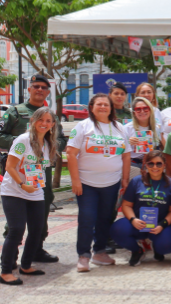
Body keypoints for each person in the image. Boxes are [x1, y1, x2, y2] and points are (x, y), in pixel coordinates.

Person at [0, 75, 66, 264]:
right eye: (35, 86)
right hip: (18, 168)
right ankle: (10, 255)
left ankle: (36, 249)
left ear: (47, 91)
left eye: (44, 87)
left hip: (40, 170)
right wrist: (25, 143)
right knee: (16, 216)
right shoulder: (15, 111)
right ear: (28, 89)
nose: (39, 89)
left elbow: (61, 140)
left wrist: (49, 145)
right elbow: (0, 135)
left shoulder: (51, 115)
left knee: (41, 210)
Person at [66, 93, 130, 272]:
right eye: (99, 104)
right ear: (92, 107)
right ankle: (83, 255)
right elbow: (71, 153)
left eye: (106, 105)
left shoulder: (119, 128)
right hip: (86, 183)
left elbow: (126, 155)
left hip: (111, 183)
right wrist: (75, 180)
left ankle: (100, 252)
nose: (103, 107)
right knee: (87, 218)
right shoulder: (82, 126)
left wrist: (124, 179)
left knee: (105, 218)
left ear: (111, 108)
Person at [0, 108, 58, 285]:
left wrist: (35, 184)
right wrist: (22, 184)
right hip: (14, 191)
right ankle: (5, 271)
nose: (44, 124)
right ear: (33, 120)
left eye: (49, 121)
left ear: (53, 125)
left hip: (35, 193)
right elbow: (10, 166)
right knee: (17, 230)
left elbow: (39, 168)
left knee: (36, 230)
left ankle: (26, 265)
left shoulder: (47, 143)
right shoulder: (23, 140)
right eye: (41, 120)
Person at [109, 150, 171, 266]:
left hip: (159, 225)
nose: (155, 167)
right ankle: (137, 250)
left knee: (168, 245)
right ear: (146, 165)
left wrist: (162, 225)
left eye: (159, 164)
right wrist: (133, 219)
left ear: (164, 165)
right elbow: (126, 205)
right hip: (138, 224)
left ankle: (157, 247)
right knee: (117, 229)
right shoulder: (137, 181)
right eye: (151, 164)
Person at [125, 97, 165, 180]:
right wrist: (127, 143)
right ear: (134, 112)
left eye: (145, 108)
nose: (142, 111)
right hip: (133, 165)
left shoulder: (156, 128)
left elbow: (158, 147)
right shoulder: (127, 128)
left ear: (150, 110)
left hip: (151, 165)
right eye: (138, 109)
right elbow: (119, 151)